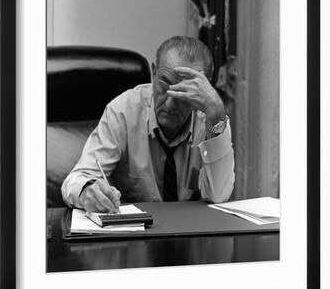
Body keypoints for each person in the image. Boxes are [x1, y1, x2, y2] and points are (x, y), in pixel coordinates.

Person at [62, 36, 235, 213]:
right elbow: (76, 180)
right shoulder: (123, 111)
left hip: (190, 232)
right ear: (153, 73)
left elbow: (219, 196)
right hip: (134, 233)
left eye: (183, 93)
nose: (169, 104)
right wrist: (87, 191)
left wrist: (216, 113)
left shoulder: (211, 119)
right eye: (164, 84)